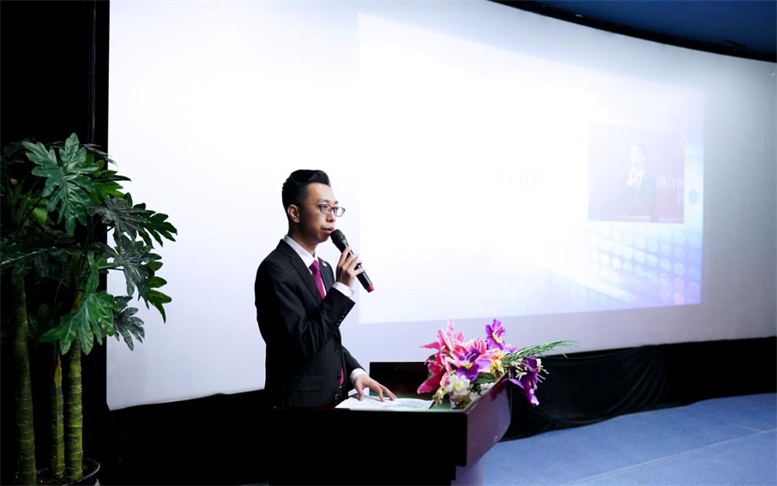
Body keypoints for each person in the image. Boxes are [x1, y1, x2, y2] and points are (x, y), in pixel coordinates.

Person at [254, 169, 395, 408]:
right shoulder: (275, 269)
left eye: (335, 209)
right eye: (323, 208)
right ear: (295, 213)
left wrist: (356, 372)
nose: (332, 218)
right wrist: (341, 290)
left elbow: (326, 337)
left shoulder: (325, 268)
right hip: (299, 408)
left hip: (333, 403)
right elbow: (301, 346)